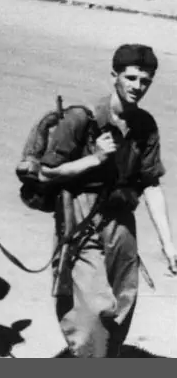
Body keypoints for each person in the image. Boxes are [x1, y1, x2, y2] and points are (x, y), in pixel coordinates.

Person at [40, 43, 176, 357]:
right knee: (90, 315)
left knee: (121, 306)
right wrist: (95, 159)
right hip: (82, 220)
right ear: (114, 75)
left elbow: (151, 184)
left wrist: (168, 245)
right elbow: (46, 173)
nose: (138, 87)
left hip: (122, 222)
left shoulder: (145, 125)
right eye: (131, 78)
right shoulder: (81, 118)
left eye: (145, 81)